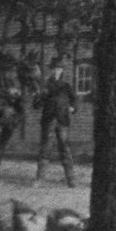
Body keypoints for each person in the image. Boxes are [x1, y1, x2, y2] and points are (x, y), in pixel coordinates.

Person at [34, 57, 78, 187]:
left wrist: (73, 107)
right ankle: (40, 179)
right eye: (54, 69)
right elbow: (37, 105)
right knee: (45, 148)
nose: (56, 71)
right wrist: (39, 96)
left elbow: (74, 99)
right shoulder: (45, 86)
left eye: (59, 69)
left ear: (62, 71)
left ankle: (71, 179)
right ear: (51, 70)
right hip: (48, 121)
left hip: (62, 120)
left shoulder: (66, 86)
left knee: (65, 148)